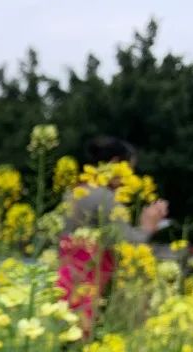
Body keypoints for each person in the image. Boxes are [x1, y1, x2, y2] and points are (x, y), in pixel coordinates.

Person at [57, 136, 169, 332]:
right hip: (88, 284)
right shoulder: (104, 196)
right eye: (130, 170)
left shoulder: (75, 191)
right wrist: (148, 225)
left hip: (66, 279)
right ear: (116, 163)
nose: (130, 178)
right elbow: (128, 243)